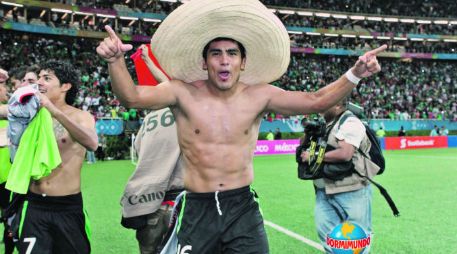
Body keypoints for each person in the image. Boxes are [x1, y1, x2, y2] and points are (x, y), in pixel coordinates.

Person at [96, 0, 385, 252]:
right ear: (205, 62)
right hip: (198, 207)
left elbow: (316, 101)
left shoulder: (260, 95)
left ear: (243, 62)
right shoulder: (181, 92)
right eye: (216, 53)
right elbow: (132, 98)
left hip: (242, 207)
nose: (224, 61)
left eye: (232, 54)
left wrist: (355, 74)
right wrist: (115, 61)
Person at [14, 60, 98, 254]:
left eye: (47, 78)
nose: (40, 82)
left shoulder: (80, 116)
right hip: (34, 205)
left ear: (65, 87)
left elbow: (92, 143)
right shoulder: (29, 114)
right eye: (40, 78)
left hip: (67, 208)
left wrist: (54, 111)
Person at [120, 44, 184, 254]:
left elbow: (139, 151)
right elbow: (170, 86)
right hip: (177, 202)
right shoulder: (182, 106)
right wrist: (148, 59)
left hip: (148, 202)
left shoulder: (148, 119)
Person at [300, 99, 379, 253]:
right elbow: (303, 146)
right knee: (327, 236)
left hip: (351, 190)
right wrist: (308, 132)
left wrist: (314, 155)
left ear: (337, 105)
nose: (320, 105)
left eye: (325, 102)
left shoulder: (350, 122)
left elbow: (345, 154)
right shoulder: (325, 123)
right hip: (324, 191)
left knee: (357, 240)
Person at [0, 69, 14, 254]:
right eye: (3, 85)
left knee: (9, 220)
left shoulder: (11, 117)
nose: (6, 89)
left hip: (8, 179)